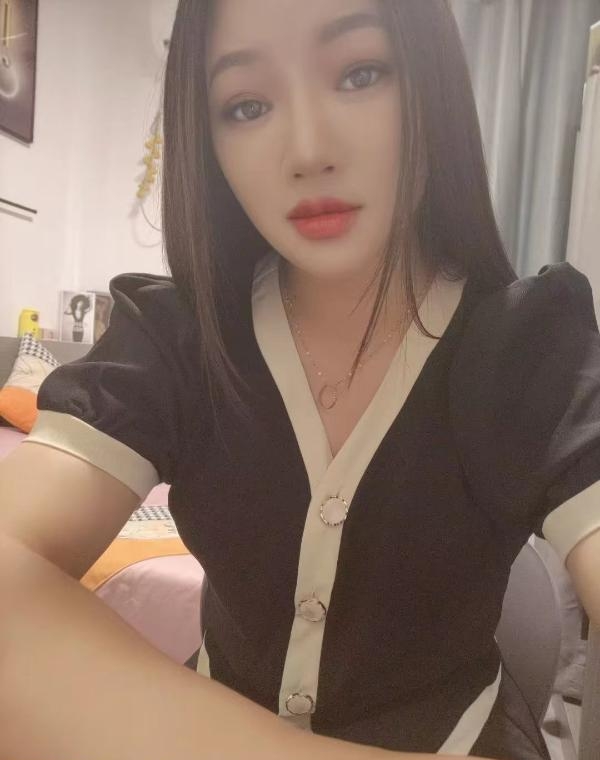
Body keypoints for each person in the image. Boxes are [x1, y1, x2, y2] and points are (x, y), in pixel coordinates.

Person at [1, 1, 599, 758]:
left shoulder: (529, 343)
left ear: (432, 86)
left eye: (361, 73)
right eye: (247, 106)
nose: (308, 151)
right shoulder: (180, 335)